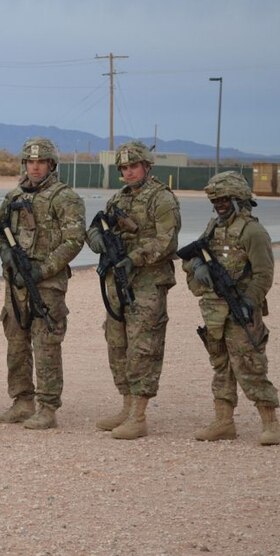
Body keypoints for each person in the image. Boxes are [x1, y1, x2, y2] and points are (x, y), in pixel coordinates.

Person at [86, 140, 180, 439]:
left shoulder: (161, 199)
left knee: (143, 344)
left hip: (148, 280)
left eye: (133, 166)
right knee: (117, 342)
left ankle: (139, 414)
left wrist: (134, 258)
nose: (128, 172)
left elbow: (167, 241)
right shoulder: (118, 200)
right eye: (124, 168)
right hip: (119, 280)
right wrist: (95, 239)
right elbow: (102, 229)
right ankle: (126, 405)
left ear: (147, 166)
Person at [0, 137, 85, 429]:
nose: (34, 167)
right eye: (30, 162)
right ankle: (22, 401)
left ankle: (47, 406)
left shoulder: (64, 197)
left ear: (51, 165)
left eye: (40, 162)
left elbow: (73, 240)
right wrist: (7, 255)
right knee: (16, 342)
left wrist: (41, 270)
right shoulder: (15, 195)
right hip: (16, 282)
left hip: (46, 285)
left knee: (46, 343)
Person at [183, 171, 278, 445]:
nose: (219, 204)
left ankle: (271, 422)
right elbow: (192, 255)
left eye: (224, 199)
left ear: (239, 198)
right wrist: (197, 266)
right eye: (216, 200)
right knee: (221, 365)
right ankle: (224, 422)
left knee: (250, 364)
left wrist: (248, 302)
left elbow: (263, 274)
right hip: (214, 312)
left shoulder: (253, 231)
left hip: (241, 311)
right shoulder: (214, 226)